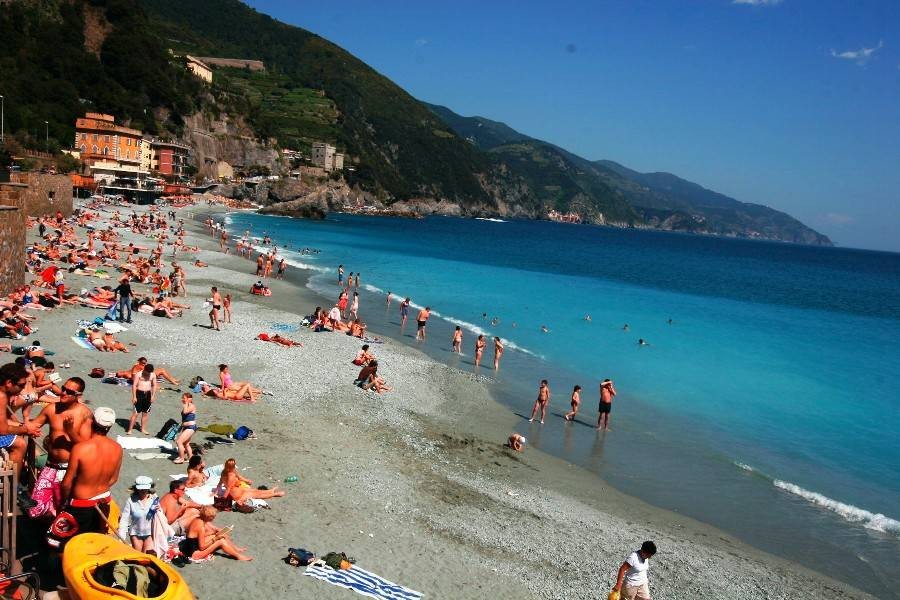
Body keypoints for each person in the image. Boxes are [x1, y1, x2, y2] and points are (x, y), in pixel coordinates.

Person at [27, 376, 92, 518]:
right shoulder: (51, 409)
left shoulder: (84, 414)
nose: (63, 393)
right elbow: (34, 425)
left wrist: (70, 432)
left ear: (78, 396)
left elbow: (86, 447)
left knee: (64, 511)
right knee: (35, 509)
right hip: (50, 465)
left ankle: (54, 536)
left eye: (69, 392)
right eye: (63, 389)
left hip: (70, 470)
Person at [58, 407, 123, 540]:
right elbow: (114, 479)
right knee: (94, 542)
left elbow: (66, 483)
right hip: (104, 502)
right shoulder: (117, 448)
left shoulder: (80, 448)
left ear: (92, 422)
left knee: (66, 543)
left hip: (80, 504)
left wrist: (63, 503)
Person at [0, 363, 41, 476]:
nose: (23, 389)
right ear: (9, 383)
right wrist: (26, 430)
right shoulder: (1, 396)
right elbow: (3, 429)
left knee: (18, 428)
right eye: (21, 385)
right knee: (20, 444)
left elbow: (3, 421)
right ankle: (14, 483)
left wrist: (21, 426)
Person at [181, 505, 251, 561]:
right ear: (207, 517)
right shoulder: (201, 527)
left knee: (222, 534)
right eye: (212, 517)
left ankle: (236, 549)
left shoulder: (197, 519)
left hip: (190, 546)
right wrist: (216, 538)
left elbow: (196, 537)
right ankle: (238, 556)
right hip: (195, 554)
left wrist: (214, 533)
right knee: (220, 541)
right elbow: (202, 547)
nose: (214, 518)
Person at [215, 458, 285, 505]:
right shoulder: (231, 476)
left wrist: (247, 480)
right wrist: (222, 499)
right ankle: (275, 494)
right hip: (237, 496)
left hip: (239, 490)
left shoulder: (226, 472)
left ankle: (270, 490)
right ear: (232, 466)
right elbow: (228, 489)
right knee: (257, 495)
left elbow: (239, 477)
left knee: (255, 490)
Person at [118, 476, 159, 552]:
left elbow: (161, 517)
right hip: (135, 534)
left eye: (145, 488)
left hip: (150, 533)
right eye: (141, 489)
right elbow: (124, 520)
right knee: (139, 558)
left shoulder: (154, 499)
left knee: (148, 556)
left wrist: (159, 511)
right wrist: (121, 538)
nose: (143, 490)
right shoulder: (130, 501)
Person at [127, 364, 158, 435]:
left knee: (145, 413)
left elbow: (154, 385)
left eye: (149, 372)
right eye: (147, 372)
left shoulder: (153, 375)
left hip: (148, 394)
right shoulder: (139, 374)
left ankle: (143, 429)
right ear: (144, 369)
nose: (148, 374)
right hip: (139, 393)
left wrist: (153, 396)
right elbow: (134, 385)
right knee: (136, 413)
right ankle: (130, 429)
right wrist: (134, 396)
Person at [173, 393, 196, 464]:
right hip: (186, 427)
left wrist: (186, 403)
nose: (182, 399)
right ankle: (191, 458)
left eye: (184, 398)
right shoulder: (186, 406)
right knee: (186, 444)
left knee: (179, 442)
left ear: (189, 399)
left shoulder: (192, 406)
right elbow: (184, 418)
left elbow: (185, 412)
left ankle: (181, 458)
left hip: (191, 427)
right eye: (182, 398)